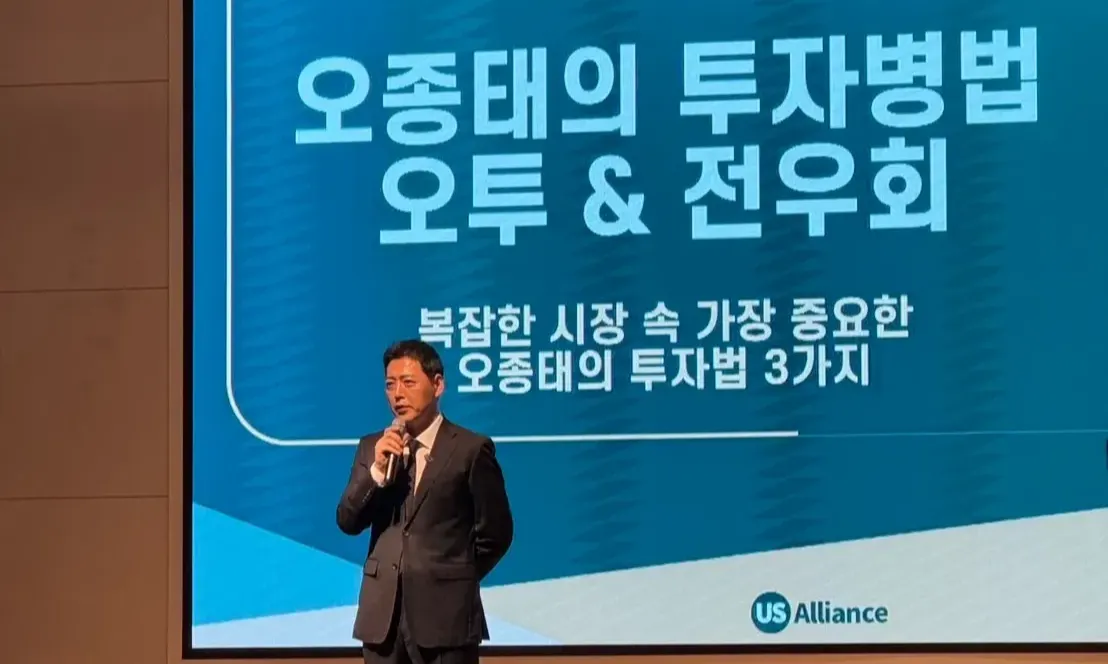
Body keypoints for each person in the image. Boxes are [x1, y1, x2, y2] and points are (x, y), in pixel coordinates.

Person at [337, 339, 514, 664]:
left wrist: (454, 577)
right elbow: (347, 521)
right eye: (390, 385)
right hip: (382, 621)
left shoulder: (471, 449)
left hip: (446, 619)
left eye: (408, 382)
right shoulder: (372, 447)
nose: (397, 394)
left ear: (437, 385)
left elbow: (496, 533)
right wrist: (376, 473)